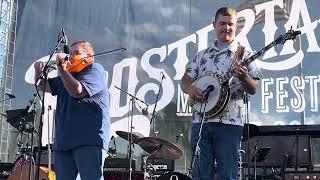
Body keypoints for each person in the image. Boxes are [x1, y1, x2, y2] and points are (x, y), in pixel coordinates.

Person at [181, 7, 262, 180]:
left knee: (227, 174)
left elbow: (253, 88)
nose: (226, 27)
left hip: (229, 123)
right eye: (222, 23)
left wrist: (245, 77)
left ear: (236, 27)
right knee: (200, 175)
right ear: (214, 25)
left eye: (230, 24)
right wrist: (191, 89)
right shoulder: (202, 55)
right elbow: (185, 81)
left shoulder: (245, 54)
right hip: (201, 122)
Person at [34, 41, 110, 180]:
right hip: (64, 142)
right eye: (70, 53)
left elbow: (77, 91)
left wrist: (61, 69)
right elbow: (42, 85)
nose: (71, 56)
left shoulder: (95, 70)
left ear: (90, 57)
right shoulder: (67, 76)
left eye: (76, 53)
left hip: (88, 139)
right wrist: (38, 70)